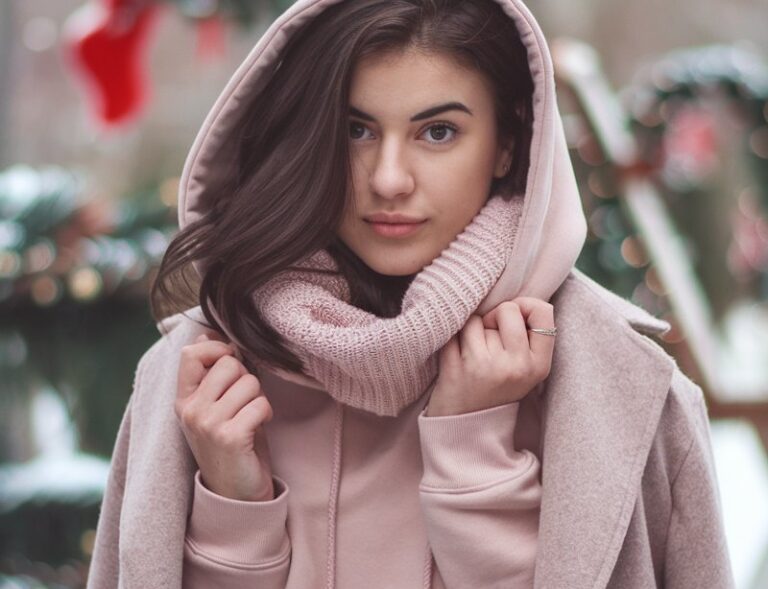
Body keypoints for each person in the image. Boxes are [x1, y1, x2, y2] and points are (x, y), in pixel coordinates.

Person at [86, 0, 736, 587]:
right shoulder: (197, 385)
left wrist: (475, 454)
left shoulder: (624, 392)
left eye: (438, 132)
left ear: (508, 142)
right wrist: (233, 509)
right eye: (356, 130)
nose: (389, 178)